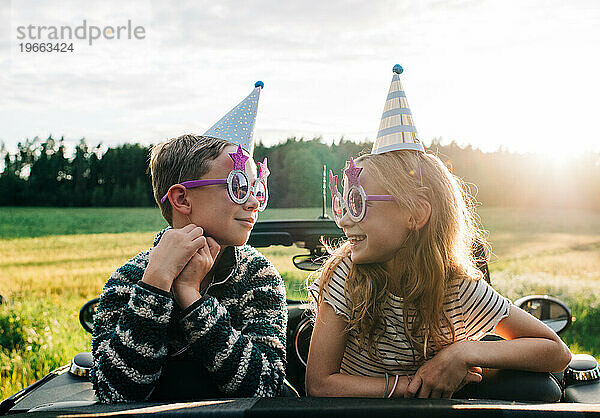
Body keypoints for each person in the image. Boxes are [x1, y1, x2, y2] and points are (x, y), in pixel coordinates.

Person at [305, 66, 571, 399]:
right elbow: (318, 384)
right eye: (343, 204)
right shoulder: (347, 276)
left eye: (358, 203)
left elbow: (557, 352)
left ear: (416, 213)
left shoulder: (456, 288)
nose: (344, 221)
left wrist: (462, 353)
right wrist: (413, 386)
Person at [91, 82, 288, 403]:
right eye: (238, 186)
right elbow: (114, 394)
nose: (253, 202)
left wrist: (191, 298)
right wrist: (155, 284)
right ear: (182, 198)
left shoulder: (258, 277)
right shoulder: (129, 281)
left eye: (258, 188)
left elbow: (266, 388)